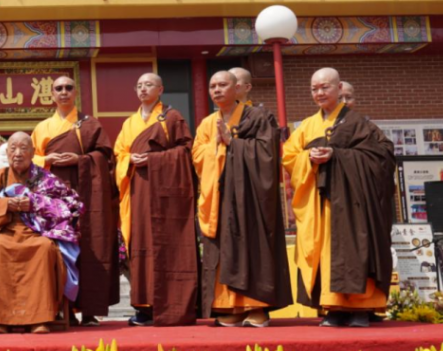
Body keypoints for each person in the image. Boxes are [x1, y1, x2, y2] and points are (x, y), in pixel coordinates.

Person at [283, 68, 396, 328]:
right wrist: (307, 158)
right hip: (321, 206)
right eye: (314, 89)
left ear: (338, 87)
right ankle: (333, 308)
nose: (319, 93)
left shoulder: (359, 123)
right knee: (326, 254)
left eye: (325, 87)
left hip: (354, 205)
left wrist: (338, 155)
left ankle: (361, 309)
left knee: (356, 250)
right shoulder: (307, 126)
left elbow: (382, 156)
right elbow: (289, 157)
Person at [192, 71, 292, 327]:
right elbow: (197, 156)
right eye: (212, 85)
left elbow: (267, 153)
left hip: (250, 198)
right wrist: (217, 146)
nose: (216, 90)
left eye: (222, 85)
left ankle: (256, 306)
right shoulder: (206, 123)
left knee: (251, 247)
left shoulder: (259, 117)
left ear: (237, 88)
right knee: (224, 250)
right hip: (220, 197)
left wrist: (231, 144)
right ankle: (230, 306)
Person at [0, 132, 82, 334]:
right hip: (3, 229)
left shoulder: (46, 178)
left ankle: (40, 318)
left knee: (44, 249)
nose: (18, 154)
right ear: (6, 152)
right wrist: (5, 204)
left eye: (23, 149)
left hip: (36, 232)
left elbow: (71, 204)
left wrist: (36, 203)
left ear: (33, 153)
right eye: (13, 149)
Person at [31, 75, 118, 326]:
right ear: (52, 95)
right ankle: (60, 308)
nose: (64, 92)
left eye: (69, 88)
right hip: (53, 199)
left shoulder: (90, 125)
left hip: (87, 195)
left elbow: (105, 157)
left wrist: (79, 160)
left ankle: (89, 310)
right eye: (59, 88)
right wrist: (48, 160)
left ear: (76, 93)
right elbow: (32, 160)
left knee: (90, 247)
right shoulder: (43, 128)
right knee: (58, 250)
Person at [113, 73, 198, 327]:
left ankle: (169, 306)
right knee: (140, 246)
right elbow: (119, 153)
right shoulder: (129, 122)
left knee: (165, 247)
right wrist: (129, 160)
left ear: (160, 89)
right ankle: (143, 307)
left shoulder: (171, 118)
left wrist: (154, 159)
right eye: (138, 85)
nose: (142, 89)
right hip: (138, 190)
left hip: (165, 194)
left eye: (148, 84)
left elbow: (185, 151)